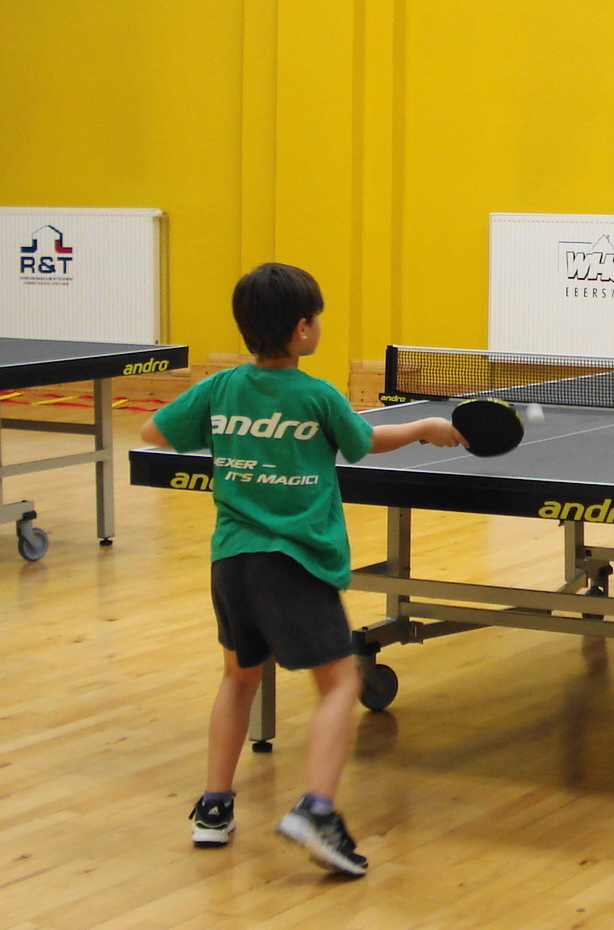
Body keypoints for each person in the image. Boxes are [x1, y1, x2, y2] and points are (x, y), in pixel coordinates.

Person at [141, 263, 464, 876]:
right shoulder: (316, 395)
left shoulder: (220, 388)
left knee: (238, 679)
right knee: (340, 684)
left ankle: (214, 806)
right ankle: (317, 810)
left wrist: (237, 442)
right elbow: (365, 442)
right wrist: (424, 427)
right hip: (293, 563)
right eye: (315, 318)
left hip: (232, 558)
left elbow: (154, 432)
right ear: (302, 329)